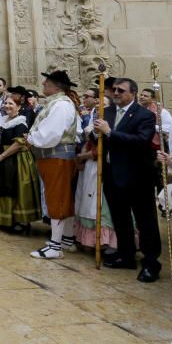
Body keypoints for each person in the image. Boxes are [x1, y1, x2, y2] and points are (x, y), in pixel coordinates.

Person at [93, 77, 161, 282]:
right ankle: (126, 254)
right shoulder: (109, 112)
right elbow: (102, 138)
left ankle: (151, 262)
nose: (115, 93)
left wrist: (109, 132)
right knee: (120, 218)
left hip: (138, 176)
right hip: (112, 173)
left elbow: (141, 141)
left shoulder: (145, 115)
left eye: (120, 90)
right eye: (113, 90)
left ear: (133, 93)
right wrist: (95, 133)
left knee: (145, 220)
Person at [27, 71, 80, 259]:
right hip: (56, 156)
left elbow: (51, 133)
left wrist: (31, 138)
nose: (43, 83)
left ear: (56, 87)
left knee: (56, 197)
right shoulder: (59, 103)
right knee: (63, 196)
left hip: (56, 156)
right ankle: (66, 239)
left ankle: (55, 247)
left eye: (47, 82)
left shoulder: (61, 105)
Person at [0, 96, 41, 232]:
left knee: (14, 188)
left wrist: (1, 156)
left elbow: (18, 143)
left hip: (16, 159)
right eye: (6, 103)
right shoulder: (3, 120)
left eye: (11, 104)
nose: (7, 106)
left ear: (19, 107)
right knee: (0, 187)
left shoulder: (21, 123)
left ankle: (19, 221)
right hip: (1, 158)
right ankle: (3, 218)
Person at [74, 88, 116, 251]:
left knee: (99, 204)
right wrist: (82, 156)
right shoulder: (94, 123)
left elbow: (101, 149)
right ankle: (88, 239)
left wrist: (84, 156)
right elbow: (89, 142)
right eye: (98, 104)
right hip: (89, 167)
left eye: (103, 105)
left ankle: (106, 240)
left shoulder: (110, 125)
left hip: (101, 166)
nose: (100, 107)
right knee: (86, 201)